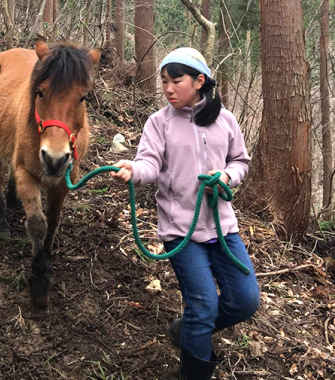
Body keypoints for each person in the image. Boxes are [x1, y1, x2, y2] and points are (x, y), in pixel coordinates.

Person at [111, 47, 260, 379]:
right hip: (181, 231)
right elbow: (150, 162)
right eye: (164, 81)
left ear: (199, 81)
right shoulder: (159, 123)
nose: (168, 89)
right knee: (203, 305)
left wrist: (226, 176)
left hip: (222, 227)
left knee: (246, 300)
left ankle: (187, 330)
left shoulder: (226, 120)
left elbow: (240, 161)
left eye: (176, 80)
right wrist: (134, 170)